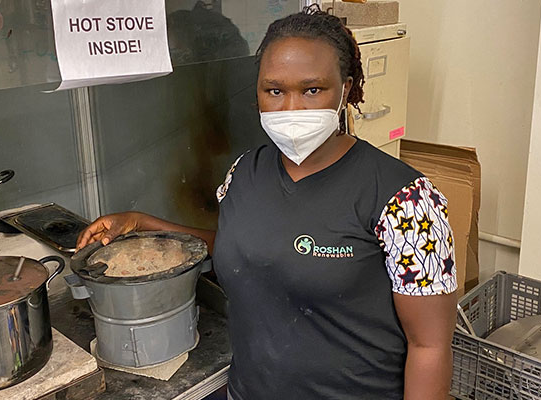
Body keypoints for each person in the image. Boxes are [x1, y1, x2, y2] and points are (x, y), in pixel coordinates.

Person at [77, 7, 457, 400]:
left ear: (345, 89)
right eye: (275, 91)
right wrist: (143, 223)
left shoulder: (407, 200)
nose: (291, 108)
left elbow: (429, 347)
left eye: (312, 90)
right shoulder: (244, 172)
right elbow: (243, 247)